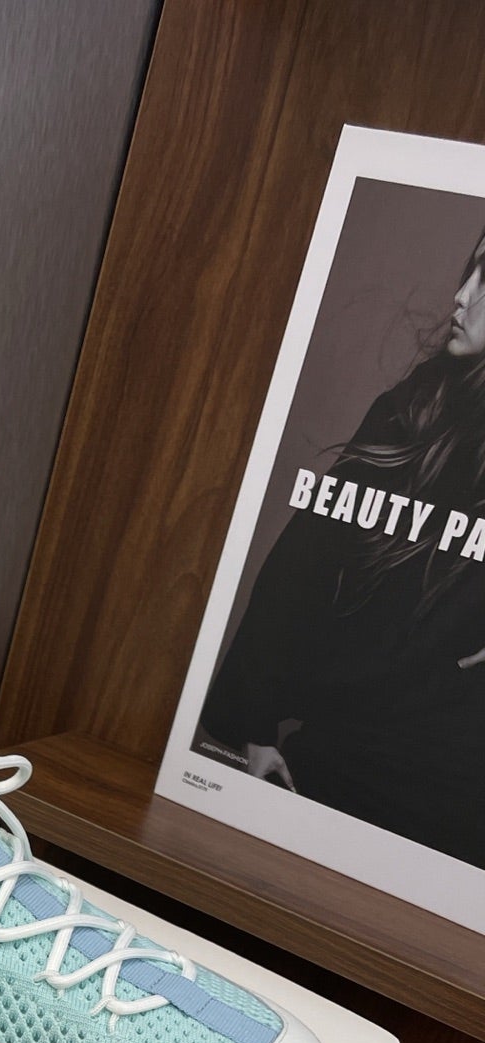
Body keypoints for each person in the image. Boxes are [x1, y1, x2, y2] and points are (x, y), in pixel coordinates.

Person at [201, 227, 485, 869]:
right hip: (350, 765)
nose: (461, 294)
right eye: (469, 270)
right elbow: (303, 564)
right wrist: (254, 725)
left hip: (462, 803)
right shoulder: (415, 413)